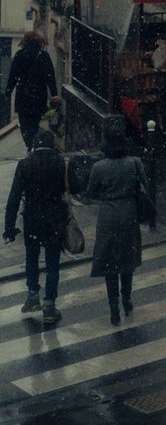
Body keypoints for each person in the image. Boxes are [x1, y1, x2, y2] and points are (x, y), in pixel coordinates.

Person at [83, 114, 148, 326]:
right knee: (127, 261)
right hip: (129, 213)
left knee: (110, 263)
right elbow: (144, 187)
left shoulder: (98, 167)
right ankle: (127, 299)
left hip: (108, 216)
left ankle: (113, 308)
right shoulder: (135, 163)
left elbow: (90, 193)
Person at [2, 129, 67, 327]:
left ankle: (32, 297)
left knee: (31, 258)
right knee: (52, 263)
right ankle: (49, 304)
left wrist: (9, 227)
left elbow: (13, 197)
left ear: (34, 145)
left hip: (32, 219)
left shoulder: (25, 165)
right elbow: (75, 187)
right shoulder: (60, 163)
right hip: (55, 218)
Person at [3, 30, 59, 150]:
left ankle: (30, 145)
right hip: (39, 97)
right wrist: (54, 95)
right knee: (35, 122)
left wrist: (7, 93)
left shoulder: (19, 55)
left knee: (25, 125)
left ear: (25, 42)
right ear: (39, 42)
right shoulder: (44, 56)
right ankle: (34, 144)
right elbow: (50, 77)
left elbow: (12, 76)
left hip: (23, 97)